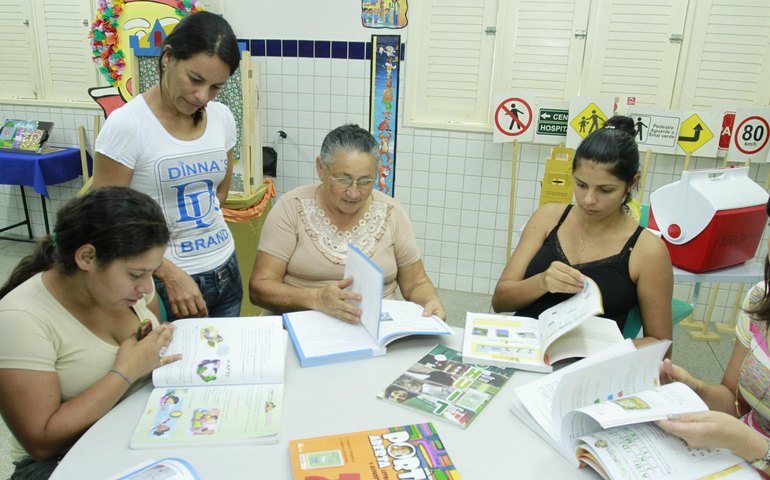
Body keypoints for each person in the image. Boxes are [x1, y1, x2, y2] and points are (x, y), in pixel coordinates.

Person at [0, 187, 182, 480]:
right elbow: (41, 442)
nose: (148, 288)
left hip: (136, 433)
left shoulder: (128, 294)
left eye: (153, 272)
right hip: (62, 461)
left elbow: (152, 349)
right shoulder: (20, 319)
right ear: (86, 257)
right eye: (136, 274)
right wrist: (124, 373)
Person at [93, 11, 242, 320]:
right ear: (168, 58)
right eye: (195, 79)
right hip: (164, 285)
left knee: (225, 366)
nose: (202, 96)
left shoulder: (222, 117)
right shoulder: (127, 126)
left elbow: (220, 192)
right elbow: (107, 221)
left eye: (216, 87)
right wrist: (169, 273)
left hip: (226, 270)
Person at [492, 115, 673, 346]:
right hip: (526, 350)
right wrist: (542, 282)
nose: (589, 200)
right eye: (581, 185)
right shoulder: (548, 218)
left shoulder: (647, 250)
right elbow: (500, 301)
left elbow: (661, 344)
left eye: (605, 190)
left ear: (632, 183)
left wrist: (600, 353)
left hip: (592, 366)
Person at [250, 123, 446, 323]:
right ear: (321, 168)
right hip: (303, 324)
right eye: (343, 180)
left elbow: (416, 283)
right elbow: (259, 288)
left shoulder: (391, 212)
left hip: (375, 328)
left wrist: (431, 301)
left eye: (365, 181)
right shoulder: (291, 208)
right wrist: (316, 298)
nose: (354, 193)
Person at [656, 197, 770, 477]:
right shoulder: (760, 301)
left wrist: (750, 444)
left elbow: (738, 434)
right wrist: (695, 389)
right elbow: (733, 401)